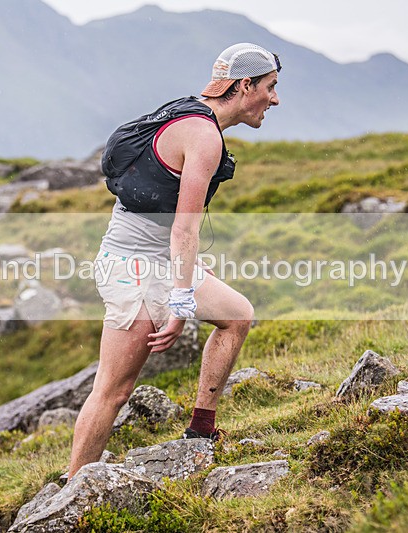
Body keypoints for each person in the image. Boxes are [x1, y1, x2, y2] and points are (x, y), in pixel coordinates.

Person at [67, 43, 281, 479]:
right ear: (244, 86)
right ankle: (72, 487)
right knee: (114, 389)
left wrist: (185, 281)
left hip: (159, 259)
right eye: (270, 87)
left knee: (237, 315)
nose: (275, 99)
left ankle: (201, 431)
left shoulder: (186, 110)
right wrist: (180, 304)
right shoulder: (204, 137)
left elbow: (177, 233)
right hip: (134, 267)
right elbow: (184, 230)